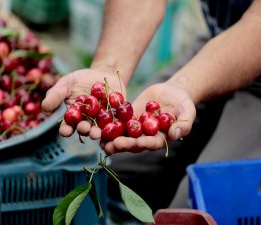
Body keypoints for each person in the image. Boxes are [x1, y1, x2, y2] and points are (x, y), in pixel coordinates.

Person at [42, 0, 261, 215]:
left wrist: (186, 86)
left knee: (189, 213)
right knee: (114, 167)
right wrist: (109, 68)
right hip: (222, 36)